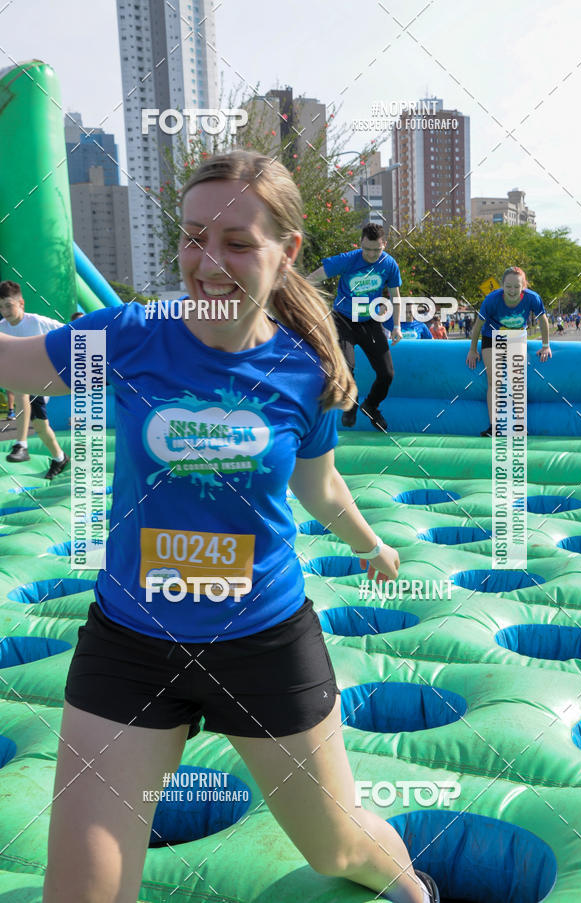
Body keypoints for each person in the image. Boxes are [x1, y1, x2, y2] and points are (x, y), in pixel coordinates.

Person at [0, 152, 439, 903]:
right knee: (80, 890)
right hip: (132, 643)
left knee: (337, 849)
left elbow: (319, 484)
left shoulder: (305, 369)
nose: (207, 262)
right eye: (193, 236)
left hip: (264, 644)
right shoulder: (132, 337)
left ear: (287, 250)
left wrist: (371, 543)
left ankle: (414, 885)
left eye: (236, 241)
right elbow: (12, 363)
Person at [307, 223, 402, 432]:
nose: (371, 254)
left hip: (369, 321)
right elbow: (313, 278)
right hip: (343, 320)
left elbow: (395, 297)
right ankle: (352, 401)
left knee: (387, 374)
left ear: (384, 245)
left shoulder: (389, 264)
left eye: (377, 250)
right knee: (346, 367)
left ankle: (371, 406)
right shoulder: (348, 260)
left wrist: (396, 326)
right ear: (361, 244)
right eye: (367, 249)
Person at [466, 266, 551, 436]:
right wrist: (473, 350)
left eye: (517, 287)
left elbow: (543, 320)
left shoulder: (532, 298)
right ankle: (494, 426)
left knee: (517, 379)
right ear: (502, 285)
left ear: (523, 286)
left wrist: (546, 345)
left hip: (516, 336)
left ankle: (520, 425)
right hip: (492, 336)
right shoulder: (491, 299)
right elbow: (477, 327)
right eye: (508, 286)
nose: (512, 291)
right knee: (494, 381)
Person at [0, 280, 70, 479]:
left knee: (20, 387)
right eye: (1, 307)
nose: (5, 311)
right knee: (41, 427)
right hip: (29, 381)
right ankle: (59, 458)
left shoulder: (37, 322)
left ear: (21, 303)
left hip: (46, 377)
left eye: (9, 305)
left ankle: (21, 444)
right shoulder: (2, 328)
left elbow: (68, 331)